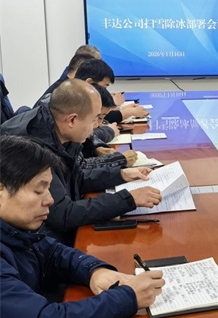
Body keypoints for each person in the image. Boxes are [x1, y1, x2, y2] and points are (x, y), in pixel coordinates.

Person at [0, 135, 164, 318]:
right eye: (38, 190)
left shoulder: (15, 228)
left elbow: (52, 252)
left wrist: (95, 271)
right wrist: (128, 298)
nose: (50, 200)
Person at [0, 79, 161, 245]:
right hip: (38, 244)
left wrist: (120, 175)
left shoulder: (60, 131)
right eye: (95, 119)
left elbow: (75, 178)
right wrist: (128, 199)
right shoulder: (34, 148)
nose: (97, 126)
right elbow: (63, 214)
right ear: (72, 120)